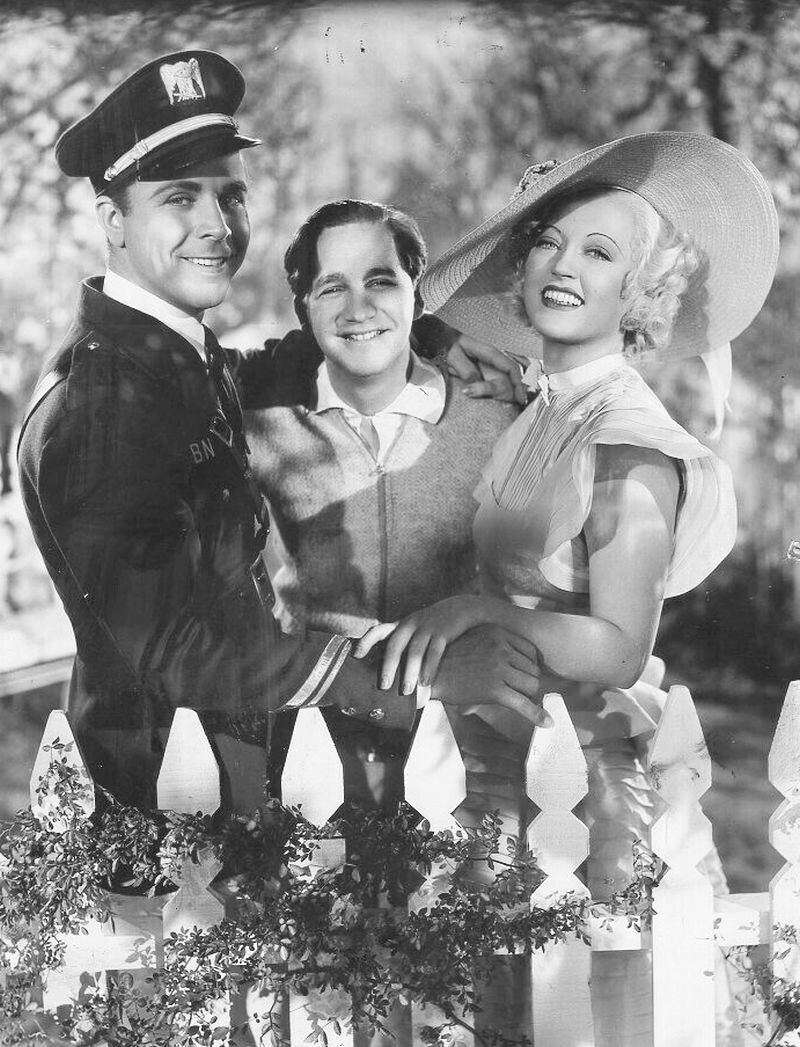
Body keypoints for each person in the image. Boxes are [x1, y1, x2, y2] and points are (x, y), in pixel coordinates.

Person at [16, 50, 545, 813]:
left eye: (230, 195)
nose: (215, 225)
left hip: (230, 783)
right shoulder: (98, 403)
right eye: (179, 197)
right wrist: (418, 680)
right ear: (113, 220)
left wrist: (428, 331)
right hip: (158, 805)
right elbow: (174, 648)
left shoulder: (173, 359)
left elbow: (297, 353)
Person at [358, 132, 779, 1044]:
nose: (562, 265)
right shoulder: (544, 411)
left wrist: (474, 609)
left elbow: (620, 646)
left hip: (581, 779)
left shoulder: (630, 443)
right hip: (495, 752)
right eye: (548, 241)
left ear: (642, 290)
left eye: (599, 252)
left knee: (580, 1011)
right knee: (476, 1008)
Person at [246, 198, 519, 816]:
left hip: (468, 743)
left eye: (381, 281)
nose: (359, 308)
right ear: (304, 309)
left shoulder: (499, 411)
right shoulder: (260, 419)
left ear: (418, 296)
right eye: (331, 288)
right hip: (312, 746)